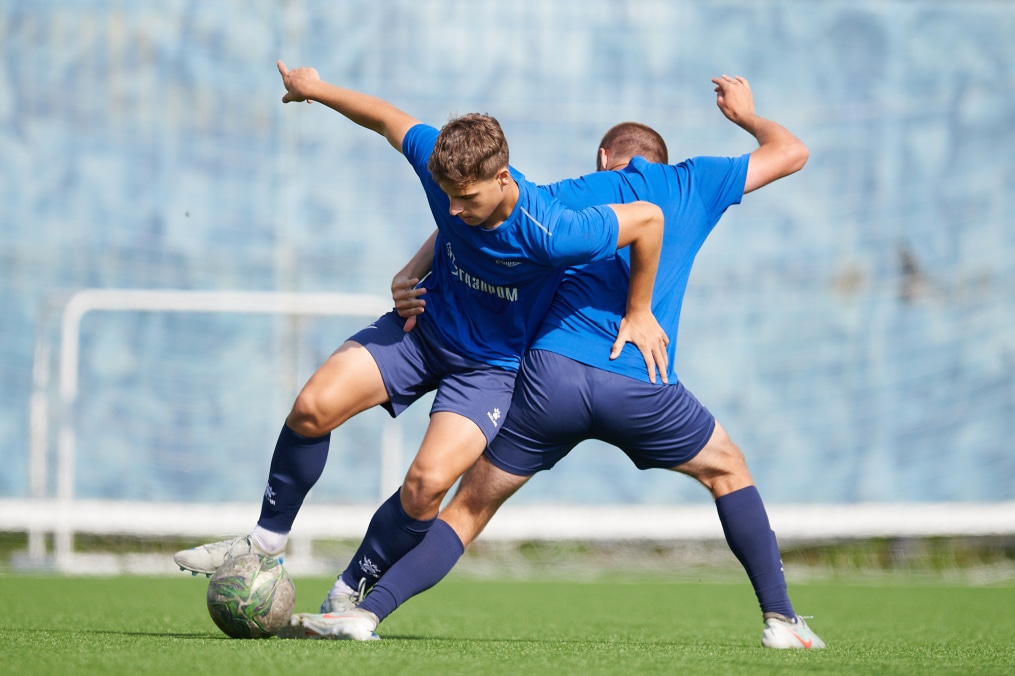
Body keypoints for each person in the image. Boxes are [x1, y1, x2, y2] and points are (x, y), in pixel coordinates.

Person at [284, 75, 826, 650]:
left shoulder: (562, 195)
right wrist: (745, 115)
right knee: (728, 470)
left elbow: (472, 216)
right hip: (639, 381)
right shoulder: (697, 182)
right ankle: (782, 621)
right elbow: (792, 152)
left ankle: (367, 612)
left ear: (603, 157)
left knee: (469, 507)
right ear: (663, 160)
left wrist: (414, 267)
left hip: (550, 380)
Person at [173, 62, 669, 607]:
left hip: (489, 371)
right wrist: (315, 89)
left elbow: (648, 220)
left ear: (504, 179)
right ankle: (264, 540)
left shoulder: (554, 230)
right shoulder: (444, 165)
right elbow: (386, 118)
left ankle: (347, 592)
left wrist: (639, 310)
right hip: (422, 331)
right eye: (447, 195)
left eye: (467, 199)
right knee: (313, 406)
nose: (454, 209)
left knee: (427, 485)